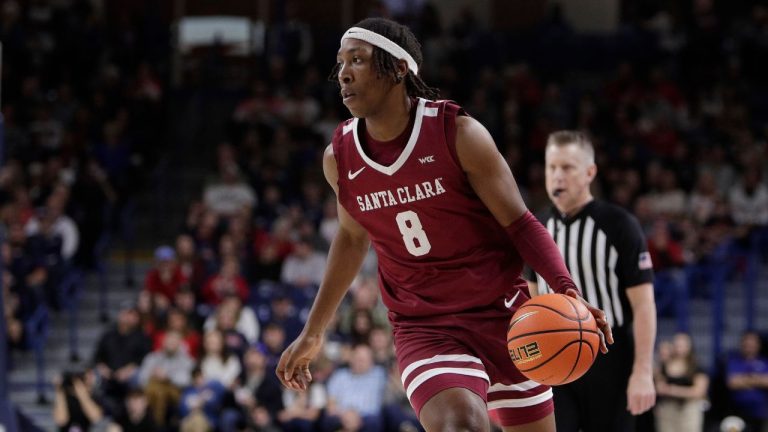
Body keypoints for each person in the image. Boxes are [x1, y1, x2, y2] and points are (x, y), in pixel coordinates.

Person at [276, 18, 612, 432]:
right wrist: (314, 331)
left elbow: (521, 224)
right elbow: (351, 236)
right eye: (341, 62)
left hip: (504, 315)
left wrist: (567, 290)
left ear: (399, 68)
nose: (343, 73)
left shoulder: (458, 133)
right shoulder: (340, 157)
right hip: (425, 326)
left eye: (358, 60)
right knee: (461, 424)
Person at [526, 130, 657, 431]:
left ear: (589, 173)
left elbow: (644, 305)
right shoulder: (535, 228)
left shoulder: (620, 224)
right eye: (551, 167)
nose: (558, 176)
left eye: (567, 167)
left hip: (611, 357)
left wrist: (642, 371)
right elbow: (530, 303)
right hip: (554, 357)